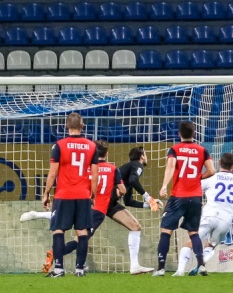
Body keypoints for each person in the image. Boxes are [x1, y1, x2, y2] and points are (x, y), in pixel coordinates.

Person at [21, 140, 155, 274]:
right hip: (99, 207)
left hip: (102, 203)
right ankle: (56, 253)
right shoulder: (118, 168)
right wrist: (146, 197)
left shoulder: (88, 168)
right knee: (81, 238)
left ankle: (134, 266)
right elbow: (126, 188)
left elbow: (127, 200)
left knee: (135, 226)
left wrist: (147, 205)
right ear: (107, 154)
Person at [154, 121, 216, 276]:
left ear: (179, 134)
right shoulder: (202, 150)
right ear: (194, 133)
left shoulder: (175, 149)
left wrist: (164, 185)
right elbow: (212, 170)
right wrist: (198, 177)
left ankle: (161, 268)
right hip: (195, 197)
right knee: (193, 232)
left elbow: (170, 167)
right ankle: (201, 265)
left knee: (166, 230)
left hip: (178, 196)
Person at [41, 113, 99, 277]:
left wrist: (46, 193)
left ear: (66, 126)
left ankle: (59, 269)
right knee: (82, 231)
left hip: (63, 194)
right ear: (82, 126)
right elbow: (95, 175)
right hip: (83, 195)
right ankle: (79, 269)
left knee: (58, 230)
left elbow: (53, 173)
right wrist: (93, 195)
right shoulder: (92, 146)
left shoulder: (59, 146)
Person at [174, 153, 233, 276]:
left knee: (191, 241)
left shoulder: (211, 178)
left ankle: (180, 270)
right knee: (211, 245)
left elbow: (193, 189)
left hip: (209, 214)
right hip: (226, 219)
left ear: (219, 163)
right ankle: (201, 263)